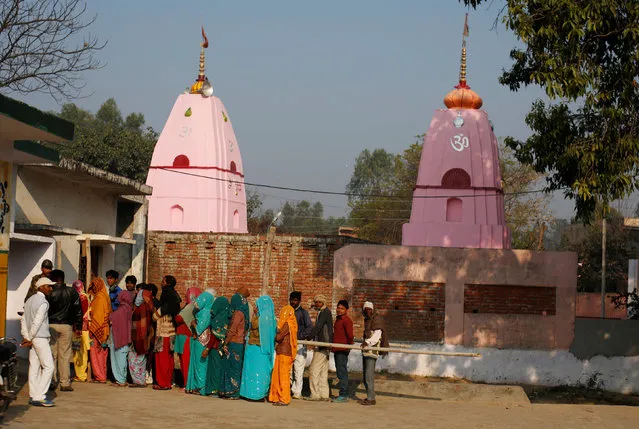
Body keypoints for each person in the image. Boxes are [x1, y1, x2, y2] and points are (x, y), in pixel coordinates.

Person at [21, 277, 56, 407]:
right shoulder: (43, 302)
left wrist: (26, 336)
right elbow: (37, 322)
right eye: (48, 286)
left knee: (34, 366)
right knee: (49, 366)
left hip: (32, 337)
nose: (50, 288)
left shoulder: (29, 300)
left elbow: (23, 320)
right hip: (39, 337)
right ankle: (39, 396)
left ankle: (33, 394)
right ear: (41, 287)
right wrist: (29, 338)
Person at [47, 269, 82, 392]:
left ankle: (51, 381)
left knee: (51, 354)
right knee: (65, 355)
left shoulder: (49, 292)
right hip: (66, 325)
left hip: (51, 324)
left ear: (54, 279)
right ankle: (65, 383)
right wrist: (78, 325)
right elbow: (78, 310)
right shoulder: (72, 292)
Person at [240, 295, 276, 401]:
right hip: (256, 349)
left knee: (257, 372)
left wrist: (255, 315)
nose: (256, 308)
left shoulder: (264, 318)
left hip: (259, 349)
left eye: (257, 305)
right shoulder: (269, 317)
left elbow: (255, 326)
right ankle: (254, 394)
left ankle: (255, 394)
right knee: (254, 371)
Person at [219, 288, 250, 399]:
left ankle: (232, 391)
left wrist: (225, 342)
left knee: (232, 368)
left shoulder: (237, 313)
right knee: (236, 368)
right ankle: (234, 391)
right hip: (240, 343)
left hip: (234, 343)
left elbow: (232, 329)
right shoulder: (245, 313)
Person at [152, 275, 182, 390]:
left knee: (162, 358)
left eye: (163, 281)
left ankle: (162, 383)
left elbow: (155, 316)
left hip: (163, 332)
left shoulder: (165, 301)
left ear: (167, 283)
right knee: (169, 358)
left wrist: (155, 313)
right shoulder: (174, 297)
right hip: (172, 332)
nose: (161, 283)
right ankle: (167, 382)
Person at [185, 289, 215, 393]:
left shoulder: (206, 313)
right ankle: (195, 386)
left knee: (200, 364)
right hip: (199, 340)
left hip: (201, 340)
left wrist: (193, 323)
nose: (198, 302)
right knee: (196, 363)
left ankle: (200, 387)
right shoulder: (203, 311)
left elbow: (199, 329)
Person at [360, 301, 389, 406]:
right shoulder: (367, 320)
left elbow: (377, 335)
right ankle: (370, 395)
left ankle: (371, 398)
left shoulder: (377, 319)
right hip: (366, 349)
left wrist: (367, 342)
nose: (368, 311)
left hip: (372, 350)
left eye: (369, 309)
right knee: (365, 375)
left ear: (372, 310)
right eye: (366, 309)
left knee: (369, 375)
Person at [305, 294, 333, 401]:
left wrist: (309, 337)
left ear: (323, 302)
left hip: (322, 344)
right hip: (324, 344)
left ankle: (315, 394)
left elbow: (318, 327)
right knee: (323, 371)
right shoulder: (323, 312)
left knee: (313, 369)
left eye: (319, 302)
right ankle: (324, 394)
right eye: (316, 302)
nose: (317, 304)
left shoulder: (324, 312)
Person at [268, 304, 298, 406]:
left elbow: (278, 338)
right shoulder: (292, 323)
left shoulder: (287, 324)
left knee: (283, 375)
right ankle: (278, 396)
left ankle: (284, 398)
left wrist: (275, 331)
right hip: (286, 352)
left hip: (284, 352)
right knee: (281, 374)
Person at [201, 296, 230, 397]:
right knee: (220, 369)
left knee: (214, 370)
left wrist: (207, 349)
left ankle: (213, 390)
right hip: (223, 349)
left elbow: (214, 336)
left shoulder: (218, 320)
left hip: (215, 348)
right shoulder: (227, 318)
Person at [174, 287, 201, 389]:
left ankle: (187, 384)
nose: (185, 297)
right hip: (185, 336)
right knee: (185, 361)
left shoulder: (190, 306)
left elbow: (178, 318)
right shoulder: (193, 306)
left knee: (185, 361)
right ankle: (187, 383)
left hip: (185, 336)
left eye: (187, 295)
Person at [129, 287, 155, 387]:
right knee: (141, 359)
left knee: (134, 359)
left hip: (139, 338)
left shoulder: (141, 309)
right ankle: (140, 380)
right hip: (144, 338)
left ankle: (138, 381)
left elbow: (140, 326)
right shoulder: (148, 309)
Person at [289, 291, 312, 399]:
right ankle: (288, 389)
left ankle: (297, 392)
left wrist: (298, 336)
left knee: (298, 368)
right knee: (288, 368)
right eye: (292, 300)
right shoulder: (287, 311)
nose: (293, 302)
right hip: (288, 343)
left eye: (295, 300)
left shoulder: (303, 313)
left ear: (299, 301)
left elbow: (309, 328)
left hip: (299, 343)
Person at [88, 277, 112, 383]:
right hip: (105, 329)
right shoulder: (105, 296)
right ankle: (102, 375)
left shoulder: (99, 298)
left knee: (96, 354)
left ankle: (99, 376)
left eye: (93, 286)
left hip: (97, 329)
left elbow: (97, 316)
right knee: (102, 354)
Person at [332, 299, 354, 402]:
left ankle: (344, 395)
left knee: (342, 372)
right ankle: (343, 394)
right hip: (337, 349)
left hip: (342, 349)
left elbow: (350, 336)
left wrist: (348, 346)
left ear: (346, 310)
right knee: (340, 372)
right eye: (338, 308)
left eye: (342, 308)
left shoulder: (346, 320)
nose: (339, 310)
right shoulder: (338, 319)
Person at [109, 290, 133, 387]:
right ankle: (122, 378)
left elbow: (111, 318)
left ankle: (120, 380)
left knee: (118, 359)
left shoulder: (121, 309)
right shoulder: (128, 308)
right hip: (126, 338)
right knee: (122, 359)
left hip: (118, 338)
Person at [71, 280, 91, 382]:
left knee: (80, 352)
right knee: (78, 351)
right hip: (81, 327)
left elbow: (79, 313)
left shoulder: (81, 297)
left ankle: (81, 375)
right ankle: (79, 374)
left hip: (80, 328)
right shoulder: (83, 296)